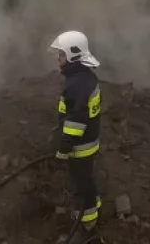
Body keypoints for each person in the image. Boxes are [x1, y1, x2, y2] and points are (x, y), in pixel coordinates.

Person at [50, 30, 103, 244]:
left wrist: (64, 147)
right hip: (88, 142)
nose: (58, 58)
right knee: (86, 179)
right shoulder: (84, 78)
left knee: (80, 184)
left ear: (72, 56)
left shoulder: (76, 85)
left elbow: (75, 122)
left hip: (80, 146)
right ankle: (95, 205)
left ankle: (87, 224)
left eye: (60, 54)